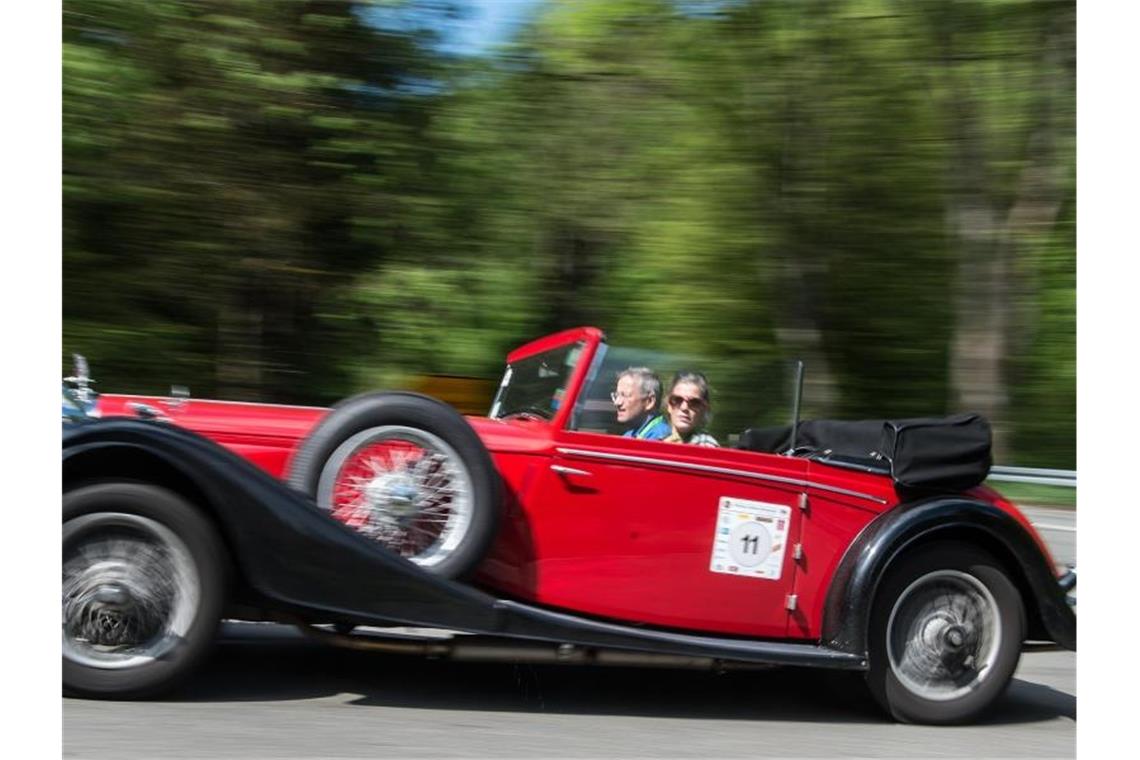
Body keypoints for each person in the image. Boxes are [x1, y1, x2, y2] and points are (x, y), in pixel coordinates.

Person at [611, 367, 670, 440]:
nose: (617, 403)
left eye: (625, 395)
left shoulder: (661, 438)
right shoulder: (631, 434)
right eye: (617, 395)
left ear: (649, 401)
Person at [663, 371, 719, 447]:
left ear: (704, 409)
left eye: (694, 402)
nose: (684, 407)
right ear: (669, 406)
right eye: (677, 400)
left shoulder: (706, 446)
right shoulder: (657, 440)